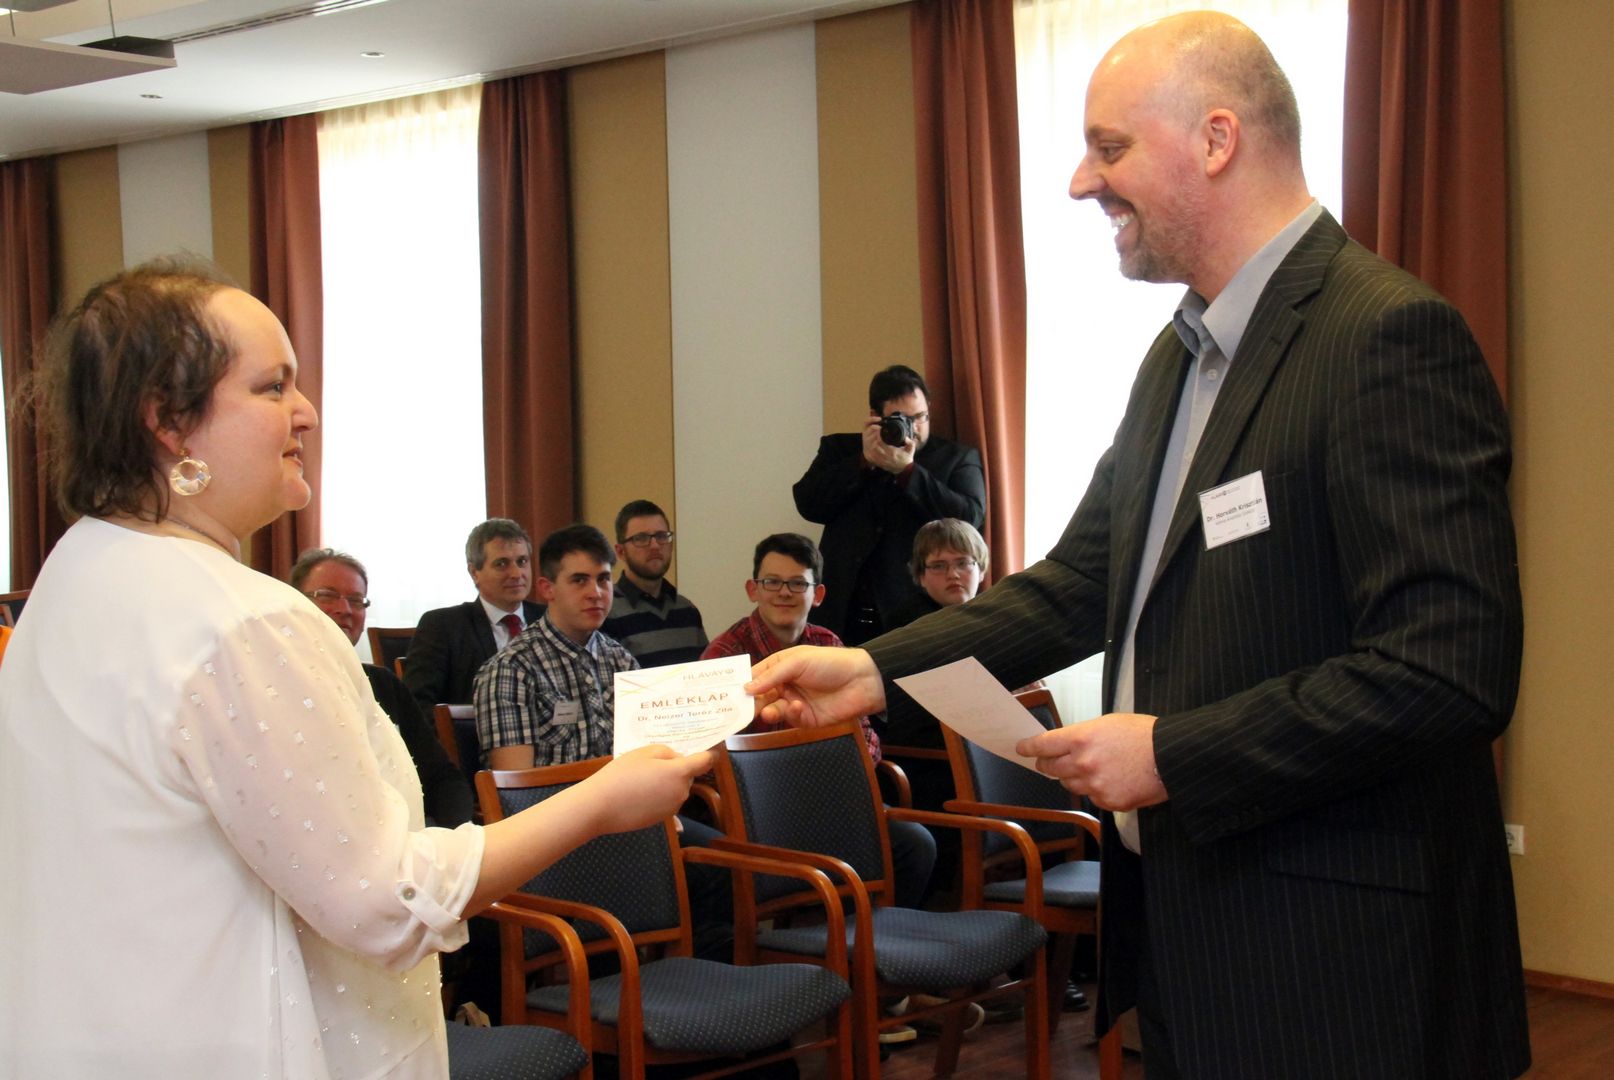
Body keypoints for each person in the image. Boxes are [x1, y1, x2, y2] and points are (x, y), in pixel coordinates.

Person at [748, 13, 1528, 1080]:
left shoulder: (1383, 336)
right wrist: (873, 672)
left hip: (1343, 959)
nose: (1081, 182)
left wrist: (1171, 755)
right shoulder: (1176, 360)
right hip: (1191, 930)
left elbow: (1448, 669)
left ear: (1217, 139)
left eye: (1108, 148)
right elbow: (1080, 582)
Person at [0, 261, 710, 1078]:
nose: (305, 411)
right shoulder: (242, 621)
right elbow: (388, 901)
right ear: (168, 420)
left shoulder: (74, 577)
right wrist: (602, 800)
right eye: (272, 386)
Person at [792, 364, 985, 645]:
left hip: (915, 613)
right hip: (840, 610)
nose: (913, 428)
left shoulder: (956, 458)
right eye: (902, 419)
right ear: (875, 416)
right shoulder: (840, 450)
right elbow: (808, 504)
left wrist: (908, 472)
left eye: (920, 417)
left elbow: (970, 518)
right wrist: (863, 462)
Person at [291, 547, 475, 828]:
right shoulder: (278, 685)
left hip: (408, 834)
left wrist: (454, 834)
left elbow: (442, 777)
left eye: (356, 600)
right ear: (294, 603)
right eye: (327, 595)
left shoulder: (383, 685)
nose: (344, 609)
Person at [404, 518, 545, 716]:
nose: (516, 573)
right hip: (475, 734)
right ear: (474, 572)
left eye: (522, 562)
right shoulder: (443, 626)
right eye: (502, 564)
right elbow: (416, 707)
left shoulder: (550, 620)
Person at [601, 498, 708, 667]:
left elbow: (705, 673)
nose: (655, 546)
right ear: (621, 552)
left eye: (661, 536)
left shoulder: (687, 610)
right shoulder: (606, 612)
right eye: (641, 538)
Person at [886, 517, 990, 630]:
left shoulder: (995, 617)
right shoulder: (904, 626)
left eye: (962, 563)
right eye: (938, 566)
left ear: (981, 571)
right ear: (921, 576)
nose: (953, 575)